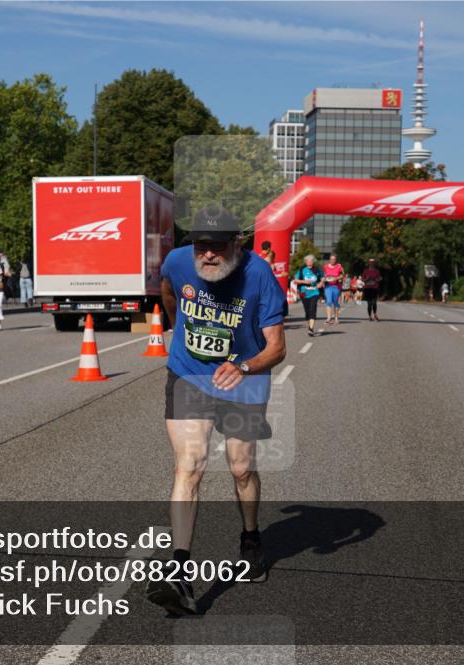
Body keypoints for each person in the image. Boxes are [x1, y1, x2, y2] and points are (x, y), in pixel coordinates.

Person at [147, 204, 287, 616]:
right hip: (189, 375)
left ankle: (251, 539)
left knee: (241, 467)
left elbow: (278, 347)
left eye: (217, 247)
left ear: (236, 245)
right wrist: (178, 331)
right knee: (189, 465)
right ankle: (178, 569)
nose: (208, 254)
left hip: (243, 379)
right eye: (201, 245)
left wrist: (242, 366)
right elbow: (168, 290)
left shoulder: (259, 276)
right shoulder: (177, 260)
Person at [294, 254, 324, 336]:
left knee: (312, 309)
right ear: (306, 262)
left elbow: (323, 277)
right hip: (304, 292)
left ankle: (311, 329)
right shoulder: (302, 270)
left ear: (313, 262)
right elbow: (296, 280)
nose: (309, 262)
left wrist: (321, 283)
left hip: (315, 292)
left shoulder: (317, 270)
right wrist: (304, 282)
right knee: (307, 312)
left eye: (311, 261)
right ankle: (310, 326)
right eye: (308, 261)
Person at [322, 254, 344, 324]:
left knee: (335, 303)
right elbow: (323, 275)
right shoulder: (325, 266)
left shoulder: (339, 266)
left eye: (334, 259)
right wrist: (324, 279)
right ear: (329, 259)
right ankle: (328, 318)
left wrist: (336, 278)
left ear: (336, 260)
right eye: (331, 259)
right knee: (328, 301)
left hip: (336, 286)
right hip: (328, 286)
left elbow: (342, 275)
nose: (332, 260)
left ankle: (336, 318)